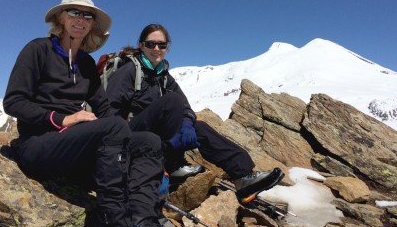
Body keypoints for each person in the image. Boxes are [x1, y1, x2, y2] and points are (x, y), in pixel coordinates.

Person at [3, 0, 176, 227]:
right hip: (37, 145)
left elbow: (104, 108)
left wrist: (134, 151)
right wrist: (61, 119)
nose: (80, 20)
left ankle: (143, 222)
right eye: (74, 13)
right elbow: (14, 102)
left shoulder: (85, 63)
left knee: (149, 141)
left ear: (92, 24)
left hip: (71, 148)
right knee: (116, 129)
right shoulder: (37, 50)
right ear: (60, 17)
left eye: (87, 16)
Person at [105, 23, 284, 204]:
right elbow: (107, 109)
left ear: (167, 47)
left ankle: (243, 176)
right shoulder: (129, 71)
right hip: (130, 138)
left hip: (157, 139)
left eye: (162, 45)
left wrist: (187, 123)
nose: (156, 49)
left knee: (200, 127)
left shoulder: (165, 77)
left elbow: (186, 108)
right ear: (142, 45)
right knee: (172, 101)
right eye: (150, 44)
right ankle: (173, 166)